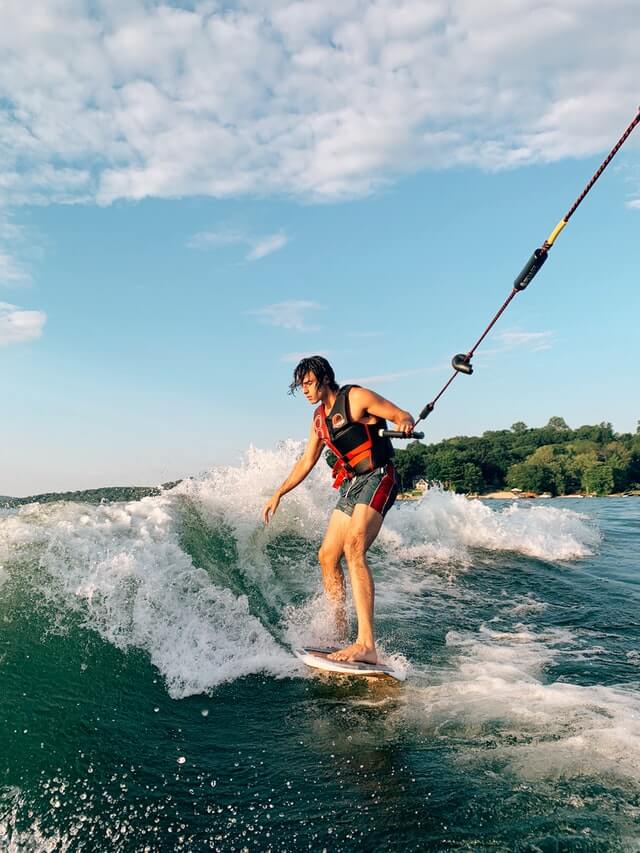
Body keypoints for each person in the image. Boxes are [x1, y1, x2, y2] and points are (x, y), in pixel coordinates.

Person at [262, 356, 415, 663]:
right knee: (327, 556)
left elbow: (400, 414)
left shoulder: (356, 398)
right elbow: (306, 461)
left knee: (354, 548)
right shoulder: (319, 420)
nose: (304, 390)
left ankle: (367, 644)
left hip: (379, 476)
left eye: (307, 383)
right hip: (351, 485)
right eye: (300, 385)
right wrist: (279, 492)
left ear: (324, 378)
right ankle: (339, 634)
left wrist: (405, 422)